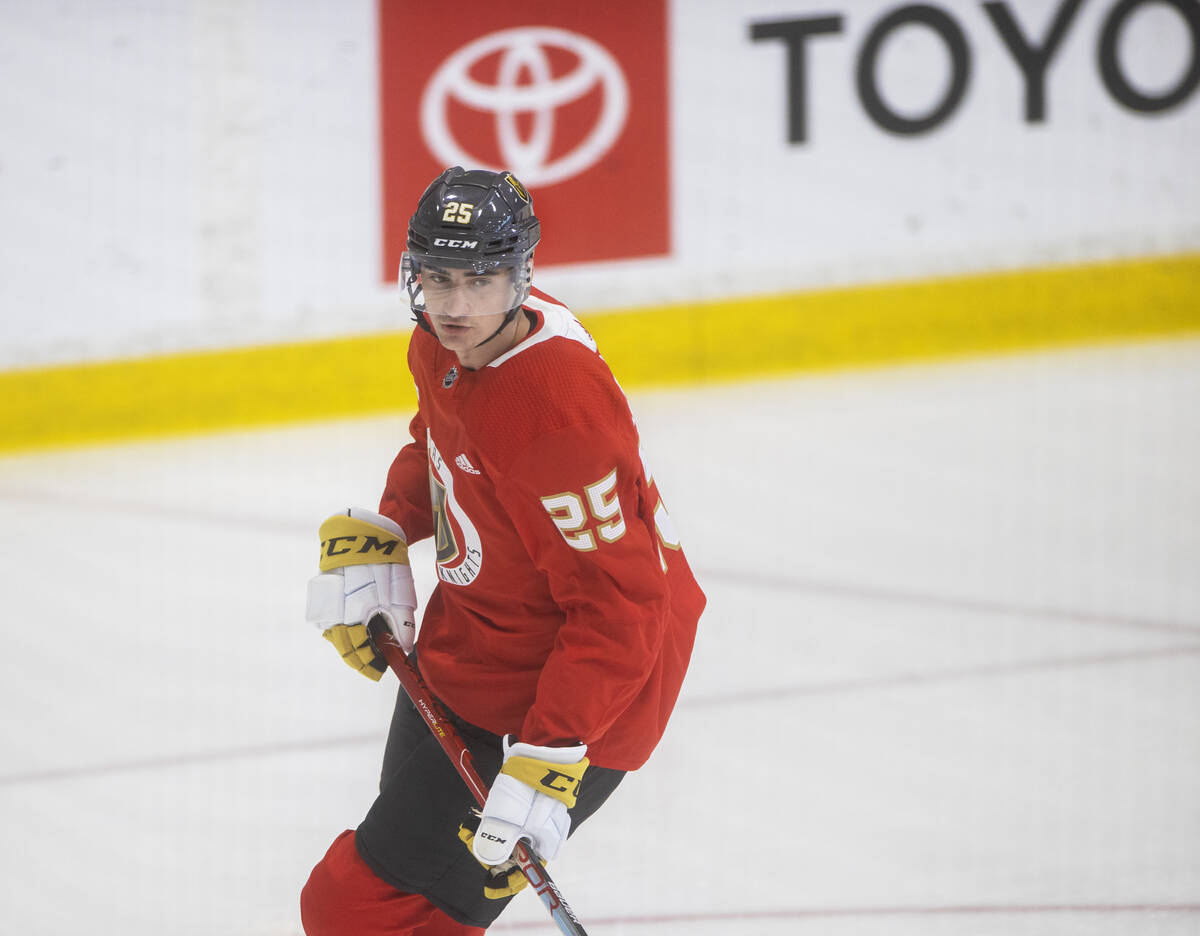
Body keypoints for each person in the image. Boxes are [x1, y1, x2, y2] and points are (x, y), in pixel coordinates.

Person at [300, 166, 706, 935]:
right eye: (438, 278)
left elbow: (622, 609)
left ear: (520, 278)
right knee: (370, 907)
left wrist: (551, 752)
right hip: (475, 647)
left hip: (574, 695)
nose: (455, 306)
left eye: (479, 281)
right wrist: (391, 526)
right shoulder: (442, 344)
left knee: (361, 911)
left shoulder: (555, 415)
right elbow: (442, 440)